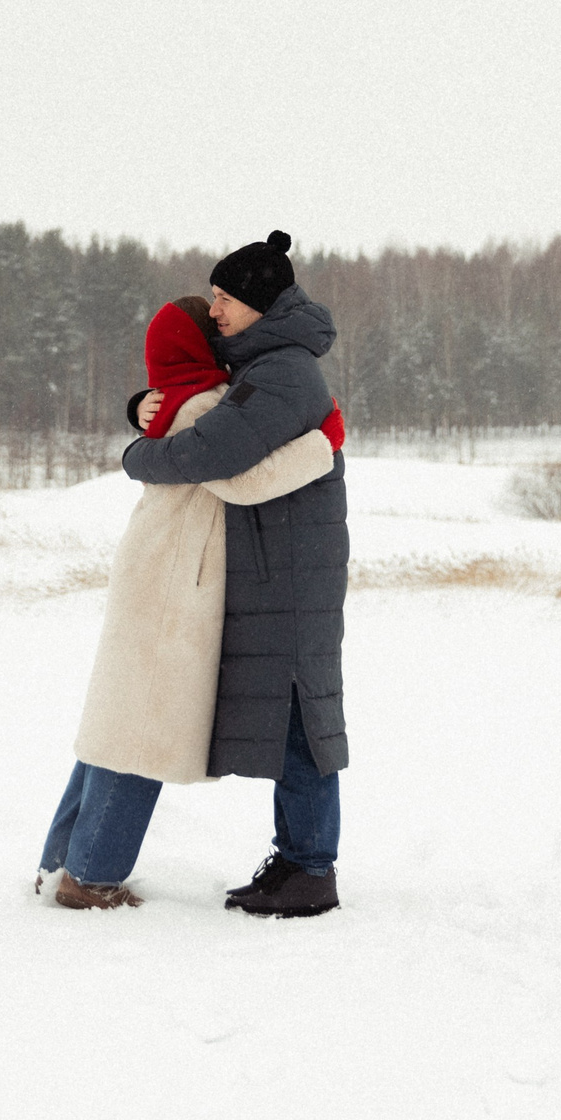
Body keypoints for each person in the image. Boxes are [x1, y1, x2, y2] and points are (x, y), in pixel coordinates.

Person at [39, 295, 341, 909]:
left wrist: (138, 415)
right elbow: (240, 478)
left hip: (154, 573)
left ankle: (59, 862)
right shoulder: (205, 406)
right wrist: (322, 442)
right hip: (178, 584)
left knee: (115, 723)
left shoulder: (170, 401)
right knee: (145, 727)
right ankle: (90, 876)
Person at [121, 231, 350, 919]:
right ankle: (297, 857)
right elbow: (187, 378)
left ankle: (311, 867)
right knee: (292, 716)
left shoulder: (283, 372)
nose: (214, 310)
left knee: (301, 719)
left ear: (257, 303)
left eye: (224, 298)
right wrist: (141, 403)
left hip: (291, 572)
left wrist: (136, 453)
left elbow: (209, 449)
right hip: (283, 564)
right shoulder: (264, 360)